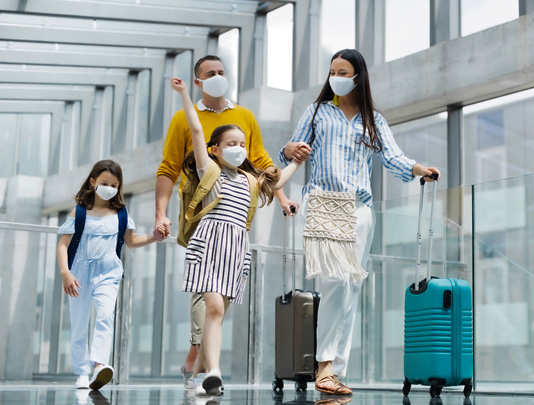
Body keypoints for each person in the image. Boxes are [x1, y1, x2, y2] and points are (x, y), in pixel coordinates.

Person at [279, 49, 440, 395]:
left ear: (357, 77)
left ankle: (335, 370)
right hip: (324, 200)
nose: (335, 75)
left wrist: (419, 169)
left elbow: (392, 157)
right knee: (337, 280)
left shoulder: (373, 120)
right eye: (332, 70)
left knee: (350, 288)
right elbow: (289, 150)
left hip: (360, 209)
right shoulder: (317, 111)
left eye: (343, 71)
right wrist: (290, 149)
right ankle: (323, 365)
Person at [154, 55, 299, 388]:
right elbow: (173, 159)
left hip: (236, 246)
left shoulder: (246, 147)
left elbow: (268, 172)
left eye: (222, 71)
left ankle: (202, 364)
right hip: (206, 233)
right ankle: (206, 366)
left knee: (219, 310)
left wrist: (290, 175)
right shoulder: (208, 164)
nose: (218, 76)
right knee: (210, 305)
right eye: (210, 73)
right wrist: (183, 97)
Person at [56, 160, 159, 391]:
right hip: (79, 274)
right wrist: (65, 273)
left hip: (109, 272)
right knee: (80, 323)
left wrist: (154, 237)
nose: (109, 187)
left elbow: (131, 242)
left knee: (104, 315)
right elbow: (63, 245)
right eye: (104, 183)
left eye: (114, 184)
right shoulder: (79, 211)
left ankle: (99, 366)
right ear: (93, 182)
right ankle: (82, 372)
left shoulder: (121, 213)